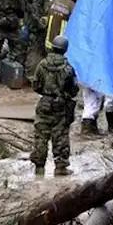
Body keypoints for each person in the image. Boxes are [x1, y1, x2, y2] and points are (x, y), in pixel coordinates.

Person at [30, 35, 79, 176]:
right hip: (61, 106)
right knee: (61, 136)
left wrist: (46, 93)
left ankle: (39, 167)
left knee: (41, 135)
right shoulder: (68, 69)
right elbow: (74, 90)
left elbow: (36, 85)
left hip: (44, 103)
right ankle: (61, 167)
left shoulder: (42, 64)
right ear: (65, 50)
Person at [22, 0, 54, 69]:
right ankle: (30, 75)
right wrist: (41, 24)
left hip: (35, 23)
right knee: (34, 50)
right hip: (35, 25)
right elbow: (34, 8)